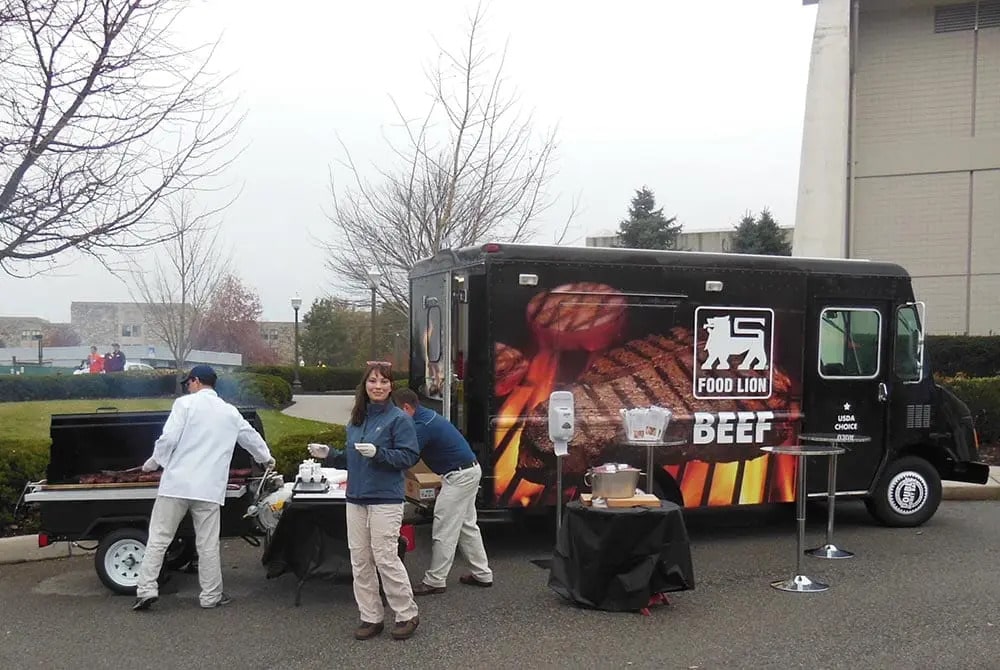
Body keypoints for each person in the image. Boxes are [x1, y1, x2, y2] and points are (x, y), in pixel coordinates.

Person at [132, 365, 275, 611]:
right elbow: (251, 438)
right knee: (207, 545)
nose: (188, 387)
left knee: (158, 538)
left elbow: (168, 438)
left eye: (189, 383)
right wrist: (267, 459)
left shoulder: (184, 405)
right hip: (208, 488)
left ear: (196, 381)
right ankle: (211, 596)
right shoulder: (229, 412)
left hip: (176, 484)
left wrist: (153, 462)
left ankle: (146, 589)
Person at [312, 362, 421, 640]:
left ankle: (406, 613)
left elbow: (409, 457)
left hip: (385, 497)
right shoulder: (357, 420)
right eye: (373, 381)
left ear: (391, 386)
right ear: (365, 386)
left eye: (384, 382)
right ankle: (371, 616)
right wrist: (330, 454)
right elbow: (352, 458)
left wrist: (380, 453)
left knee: (385, 557)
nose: (378, 386)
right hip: (356, 497)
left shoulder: (399, 419)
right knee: (360, 559)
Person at [391, 388, 493, 595]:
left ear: (406, 408)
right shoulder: (425, 415)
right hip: (466, 471)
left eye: (395, 412)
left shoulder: (420, 426)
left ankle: (435, 580)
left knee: (443, 527)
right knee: (466, 525)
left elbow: (406, 457)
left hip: (459, 476)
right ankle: (482, 574)